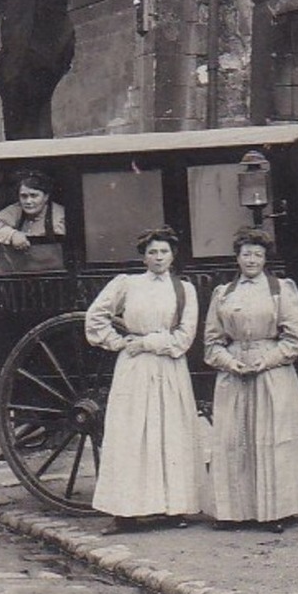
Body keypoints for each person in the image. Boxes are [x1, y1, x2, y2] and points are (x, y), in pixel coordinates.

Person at [203, 228, 298, 533]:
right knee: (234, 440)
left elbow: (296, 339)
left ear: (265, 258)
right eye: (246, 254)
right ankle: (234, 512)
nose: (252, 260)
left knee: (271, 438)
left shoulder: (281, 290)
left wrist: (266, 360)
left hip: (271, 372)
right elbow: (211, 342)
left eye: (258, 254)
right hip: (233, 374)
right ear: (237, 257)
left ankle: (275, 511)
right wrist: (230, 362)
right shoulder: (223, 294)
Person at [84, 226, 204, 535]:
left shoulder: (184, 290)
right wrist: (119, 342)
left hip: (168, 367)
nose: (159, 257)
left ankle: (173, 509)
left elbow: (184, 337)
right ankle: (125, 513)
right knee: (130, 435)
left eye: (164, 252)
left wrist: (148, 343)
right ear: (144, 257)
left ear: (173, 255)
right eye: (152, 252)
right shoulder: (127, 284)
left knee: (169, 434)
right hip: (134, 367)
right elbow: (95, 317)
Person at [0, 171, 66, 249]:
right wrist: (12, 235)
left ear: (46, 197)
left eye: (34, 196)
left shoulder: (61, 217)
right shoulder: (17, 209)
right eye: (24, 196)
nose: (28, 201)